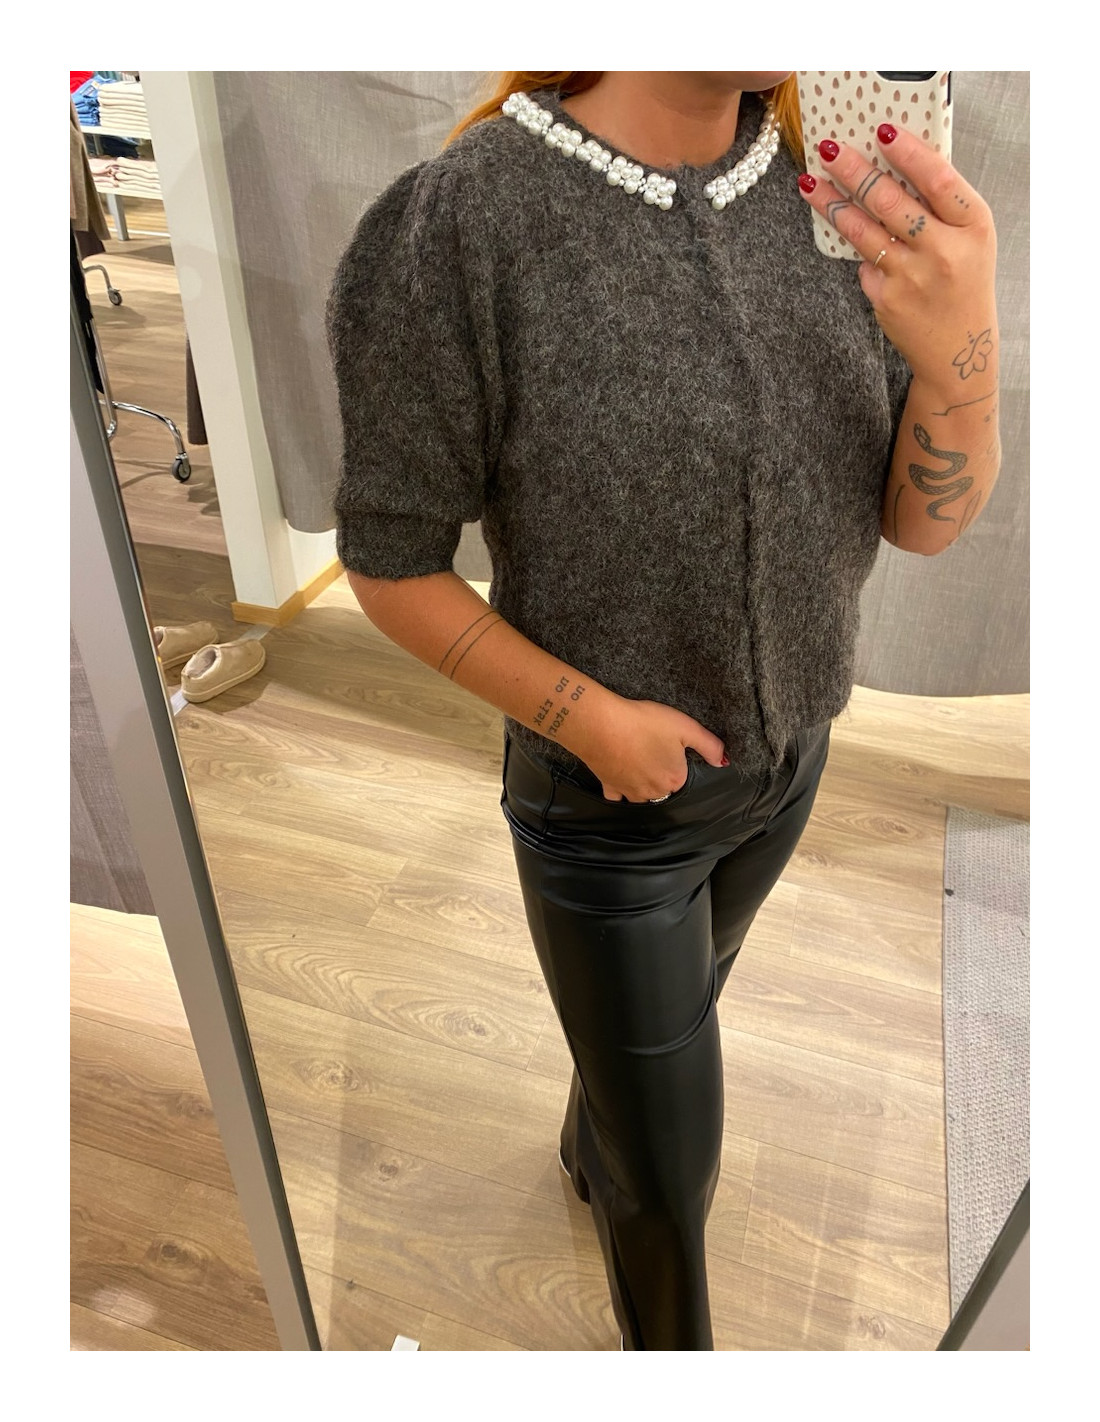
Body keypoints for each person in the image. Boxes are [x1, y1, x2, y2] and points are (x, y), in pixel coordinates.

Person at [325, 70, 1000, 1351]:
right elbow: (390, 561)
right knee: (671, 1181)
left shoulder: (823, 193)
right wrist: (586, 719)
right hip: (606, 811)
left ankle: (596, 1141)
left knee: (653, 1061)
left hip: (789, 769)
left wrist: (964, 341)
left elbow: (921, 525)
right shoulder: (467, 222)